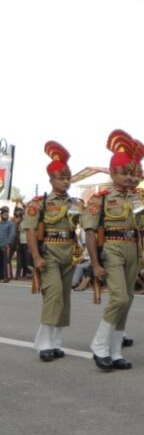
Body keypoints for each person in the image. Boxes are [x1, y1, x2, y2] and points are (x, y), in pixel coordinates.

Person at [84, 131, 144, 372]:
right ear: (112, 174)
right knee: (119, 298)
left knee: (128, 300)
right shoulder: (100, 199)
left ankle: (115, 351)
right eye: (123, 173)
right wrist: (95, 264)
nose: (128, 178)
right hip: (111, 248)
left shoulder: (138, 198)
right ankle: (100, 345)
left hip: (133, 248)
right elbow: (90, 232)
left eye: (132, 173)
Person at [23, 141, 77, 361]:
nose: (65, 182)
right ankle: (44, 343)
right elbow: (29, 230)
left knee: (64, 298)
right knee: (53, 296)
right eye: (60, 178)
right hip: (49, 253)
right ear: (51, 180)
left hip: (69, 252)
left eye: (67, 178)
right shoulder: (39, 203)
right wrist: (35, 257)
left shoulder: (76, 203)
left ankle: (55, 341)